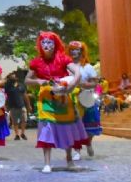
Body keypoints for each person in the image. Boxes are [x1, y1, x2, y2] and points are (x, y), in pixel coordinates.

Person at [25, 31, 87, 174]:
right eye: (44, 42)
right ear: (40, 45)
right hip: (46, 99)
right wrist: (38, 81)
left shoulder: (63, 59)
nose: (46, 45)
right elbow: (27, 80)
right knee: (47, 130)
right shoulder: (36, 62)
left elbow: (78, 73)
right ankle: (47, 163)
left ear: (55, 44)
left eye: (50, 42)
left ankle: (69, 160)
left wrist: (71, 86)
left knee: (67, 129)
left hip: (63, 97)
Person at [68, 41, 101, 160]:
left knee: (92, 124)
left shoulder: (88, 67)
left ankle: (88, 142)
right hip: (72, 100)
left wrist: (82, 84)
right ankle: (77, 150)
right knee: (75, 125)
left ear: (82, 51)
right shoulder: (67, 67)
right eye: (71, 49)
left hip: (88, 99)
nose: (73, 52)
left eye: (76, 49)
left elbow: (94, 83)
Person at [4, 72, 29, 141]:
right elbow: (5, 96)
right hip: (13, 106)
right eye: (12, 76)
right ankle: (17, 134)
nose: (14, 76)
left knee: (24, 120)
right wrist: (5, 105)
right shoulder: (7, 86)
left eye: (14, 76)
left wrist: (28, 105)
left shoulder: (21, 85)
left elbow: (25, 95)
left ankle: (22, 133)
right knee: (15, 122)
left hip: (22, 105)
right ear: (9, 78)